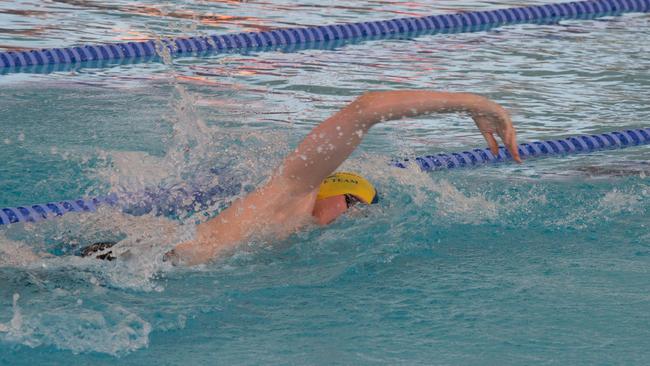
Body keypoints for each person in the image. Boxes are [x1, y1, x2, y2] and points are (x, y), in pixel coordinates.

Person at [153, 90, 521, 266]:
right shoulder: (293, 191)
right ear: (330, 190)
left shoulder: (287, 237)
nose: (350, 216)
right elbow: (366, 109)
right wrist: (478, 105)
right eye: (352, 203)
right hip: (146, 262)